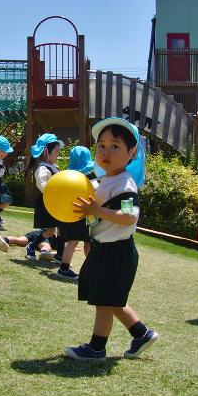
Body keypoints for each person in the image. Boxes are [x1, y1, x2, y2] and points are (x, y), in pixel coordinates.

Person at [65, 118, 159, 360]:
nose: (106, 151)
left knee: (105, 301)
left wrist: (97, 211)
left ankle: (97, 348)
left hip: (117, 253)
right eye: (101, 145)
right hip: (105, 251)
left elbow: (128, 217)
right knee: (109, 298)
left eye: (115, 146)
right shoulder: (105, 181)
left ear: (132, 152)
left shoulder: (126, 185)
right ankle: (141, 334)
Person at [55, 146, 98, 281]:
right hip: (82, 215)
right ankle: (64, 268)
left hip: (74, 214)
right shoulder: (89, 179)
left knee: (86, 242)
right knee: (76, 241)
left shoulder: (68, 178)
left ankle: (91, 268)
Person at [24, 133, 64, 261]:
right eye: (56, 151)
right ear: (46, 151)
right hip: (47, 202)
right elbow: (43, 186)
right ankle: (32, 246)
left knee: (61, 229)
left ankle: (60, 255)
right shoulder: (42, 169)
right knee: (51, 230)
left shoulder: (54, 167)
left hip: (55, 202)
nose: (58, 154)